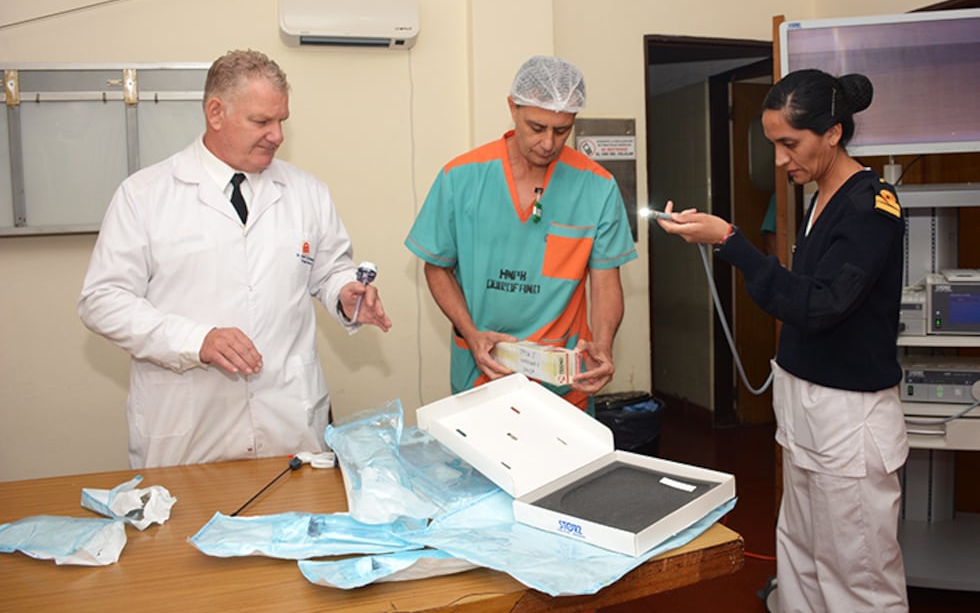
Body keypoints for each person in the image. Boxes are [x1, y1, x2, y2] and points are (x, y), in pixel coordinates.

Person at [657, 69, 908, 612]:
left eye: (789, 143)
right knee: (801, 553)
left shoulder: (871, 208)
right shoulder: (820, 197)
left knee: (856, 571)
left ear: (834, 133)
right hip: (806, 407)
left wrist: (731, 241)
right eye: (774, 143)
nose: (779, 159)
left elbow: (821, 304)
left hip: (847, 415)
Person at [78, 49, 392, 469]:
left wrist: (345, 293)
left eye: (281, 120)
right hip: (188, 429)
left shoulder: (307, 192)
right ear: (215, 112)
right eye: (261, 121)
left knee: (298, 527)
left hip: (288, 423)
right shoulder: (145, 195)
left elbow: (330, 270)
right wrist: (196, 340)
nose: (277, 135)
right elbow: (102, 301)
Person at [405, 55, 637, 412]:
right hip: (484, 373)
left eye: (562, 131)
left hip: (564, 384)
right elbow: (437, 267)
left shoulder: (597, 187)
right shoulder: (461, 178)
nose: (548, 143)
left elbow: (606, 282)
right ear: (513, 107)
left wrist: (603, 344)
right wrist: (471, 332)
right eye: (537, 127)